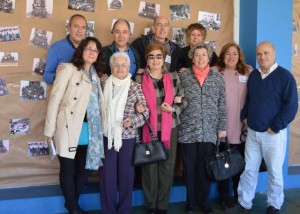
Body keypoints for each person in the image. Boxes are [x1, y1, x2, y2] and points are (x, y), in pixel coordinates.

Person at [225, 42, 298, 214]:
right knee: (249, 169)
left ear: (274, 53)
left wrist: (276, 126)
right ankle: (244, 203)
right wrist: (244, 116)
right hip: (252, 133)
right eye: (259, 54)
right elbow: (249, 99)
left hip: (273, 134)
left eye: (266, 53)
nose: (262, 57)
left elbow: (291, 106)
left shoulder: (285, 77)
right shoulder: (255, 76)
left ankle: (274, 204)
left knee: (274, 171)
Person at [44, 37, 106, 214]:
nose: (92, 52)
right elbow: (55, 99)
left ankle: (71, 202)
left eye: (95, 50)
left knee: (85, 169)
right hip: (68, 126)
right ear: (81, 51)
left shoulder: (95, 75)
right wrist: (49, 129)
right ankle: (73, 207)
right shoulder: (69, 69)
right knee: (68, 169)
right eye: (88, 49)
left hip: (90, 129)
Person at [135, 43, 187, 214]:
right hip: (147, 127)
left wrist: (173, 109)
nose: (156, 60)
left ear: (164, 58)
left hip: (169, 128)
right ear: (147, 59)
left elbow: (184, 100)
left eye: (159, 56)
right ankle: (151, 204)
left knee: (167, 166)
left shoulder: (172, 76)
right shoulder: (138, 78)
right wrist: (137, 106)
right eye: (151, 56)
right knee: (149, 166)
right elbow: (133, 100)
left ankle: (162, 204)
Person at [178, 44, 226, 214]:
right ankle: (190, 202)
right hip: (188, 131)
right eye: (197, 55)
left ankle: (203, 202)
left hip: (209, 131)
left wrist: (222, 127)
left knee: (204, 169)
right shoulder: (183, 77)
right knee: (189, 169)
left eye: (203, 55)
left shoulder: (217, 78)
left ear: (209, 57)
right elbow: (176, 99)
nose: (200, 58)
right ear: (192, 57)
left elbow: (222, 104)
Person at [99, 52, 149, 214]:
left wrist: (132, 122)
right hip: (106, 136)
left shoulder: (134, 87)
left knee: (127, 176)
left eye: (123, 65)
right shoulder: (103, 84)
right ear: (111, 67)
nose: (120, 68)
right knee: (107, 177)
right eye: (116, 65)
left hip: (127, 138)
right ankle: (109, 210)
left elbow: (145, 113)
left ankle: (124, 210)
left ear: (129, 68)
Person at [212, 42, 252, 206]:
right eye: (228, 53)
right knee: (223, 163)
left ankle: (238, 196)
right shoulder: (215, 72)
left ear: (239, 56)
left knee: (239, 164)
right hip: (221, 125)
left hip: (242, 125)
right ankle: (223, 196)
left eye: (234, 53)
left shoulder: (248, 72)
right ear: (222, 56)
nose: (231, 57)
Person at [43, 14, 87, 84]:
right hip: (65, 93)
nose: (80, 30)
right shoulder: (55, 48)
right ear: (68, 28)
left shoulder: (90, 49)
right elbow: (46, 76)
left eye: (83, 27)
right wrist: (56, 75)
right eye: (76, 26)